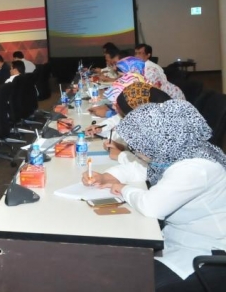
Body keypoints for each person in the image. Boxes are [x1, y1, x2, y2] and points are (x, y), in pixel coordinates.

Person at [82, 100, 226, 291]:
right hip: (180, 237)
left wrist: (123, 188)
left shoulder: (195, 168)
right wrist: (105, 177)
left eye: (139, 146)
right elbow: (140, 169)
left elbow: (151, 206)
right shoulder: (180, 150)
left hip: (207, 252)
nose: (137, 151)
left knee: (129, 282)